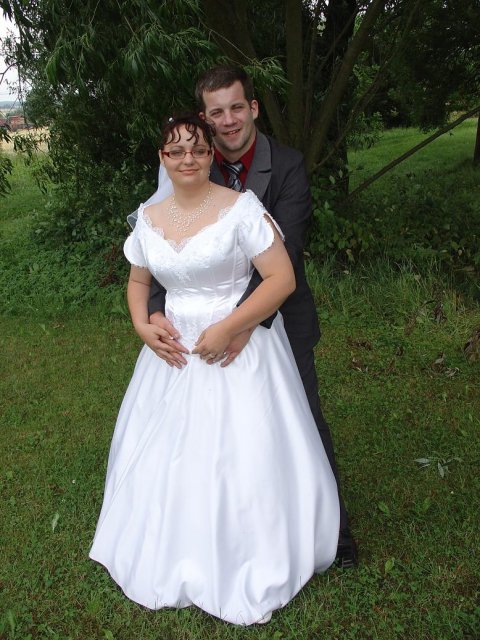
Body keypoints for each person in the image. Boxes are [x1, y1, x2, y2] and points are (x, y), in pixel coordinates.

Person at [90, 114, 339, 625]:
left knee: (244, 450)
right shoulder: (149, 217)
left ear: (210, 156)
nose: (188, 159)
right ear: (162, 158)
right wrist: (142, 325)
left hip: (238, 348)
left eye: (198, 150)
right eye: (176, 151)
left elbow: (281, 278)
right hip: (174, 353)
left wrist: (230, 327)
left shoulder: (241, 209)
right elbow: (139, 282)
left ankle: (254, 546)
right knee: (170, 452)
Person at [143, 66, 357, 568]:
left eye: (237, 107)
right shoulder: (190, 163)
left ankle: (335, 531)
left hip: (276, 317)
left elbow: (287, 254)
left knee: (301, 418)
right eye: (216, 112)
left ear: (253, 108)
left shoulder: (287, 166)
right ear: (204, 118)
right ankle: (220, 529)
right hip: (196, 331)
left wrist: (239, 325)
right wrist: (152, 312)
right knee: (208, 432)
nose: (229, 120)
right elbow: (163, 248)